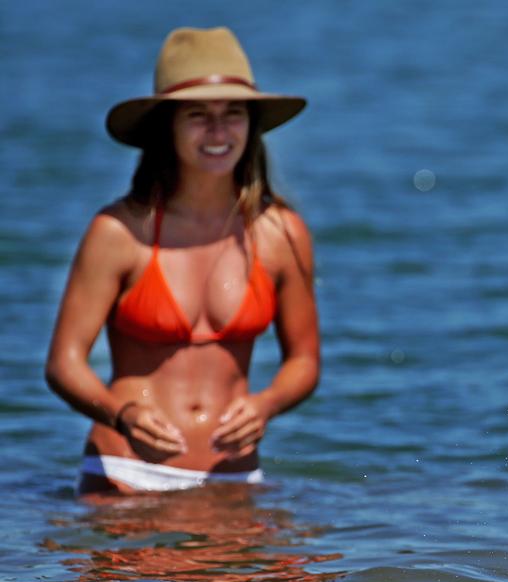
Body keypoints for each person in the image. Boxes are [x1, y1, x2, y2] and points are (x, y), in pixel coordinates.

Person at [45, 27, 319, 493]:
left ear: (251, 125)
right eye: (198, 115)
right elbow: (64, 363)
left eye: (233, 113)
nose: (218, 131)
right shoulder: (119, 231)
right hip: (125, 473)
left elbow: (305, 361)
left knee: (303, 568)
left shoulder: (281, 233)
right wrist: (122, 414)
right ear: (166, 127)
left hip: (232, 476)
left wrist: (266, 404)